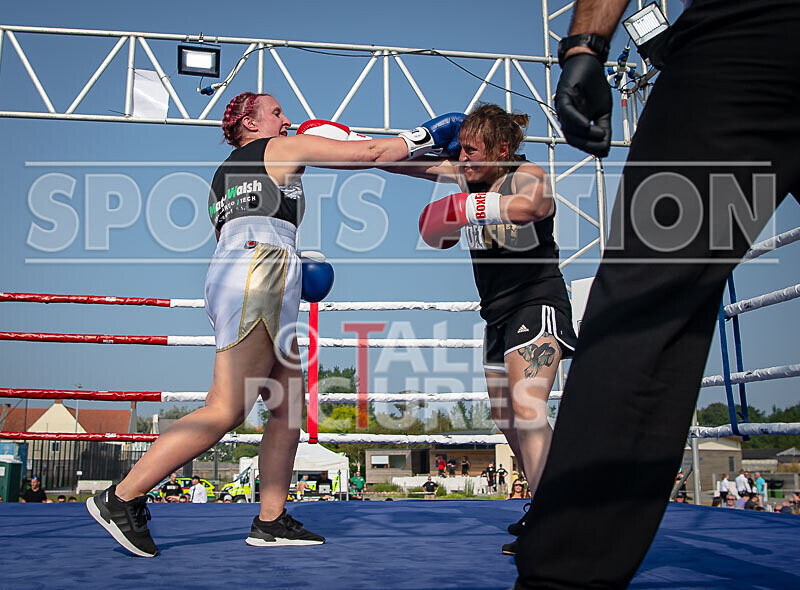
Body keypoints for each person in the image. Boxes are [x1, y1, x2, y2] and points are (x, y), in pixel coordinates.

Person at [86, 91, 463, 558]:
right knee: (227, 408)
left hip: (251, 271)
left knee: (285, 409)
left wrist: (442, 166)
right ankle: (121, 497)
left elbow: (250, 227)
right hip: (261, 272)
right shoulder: (277, 148)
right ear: (249, 120)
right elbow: (367, 152)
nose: (287, 120)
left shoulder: (222, 177)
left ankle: (270, 519)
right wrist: (424, 136)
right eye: (276, 112)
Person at [513, 0, 800, 587]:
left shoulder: (523, 178)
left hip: (754, 40)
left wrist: (585, 45)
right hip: (753, 39)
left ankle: (567, 576)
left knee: (645, 302)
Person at [409, 103, 577, 549]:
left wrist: (465, 206)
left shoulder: (525, 173)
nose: (463, 159)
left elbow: (534, 205)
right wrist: (332, 145)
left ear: (502, 149)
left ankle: (552, 520)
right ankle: (554, 500)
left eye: (472, 150)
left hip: (535, 302)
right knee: (507, 420)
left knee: (529, 410)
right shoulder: (467, 173)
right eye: (459, 150)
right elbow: (401, 164)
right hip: (496, 315)